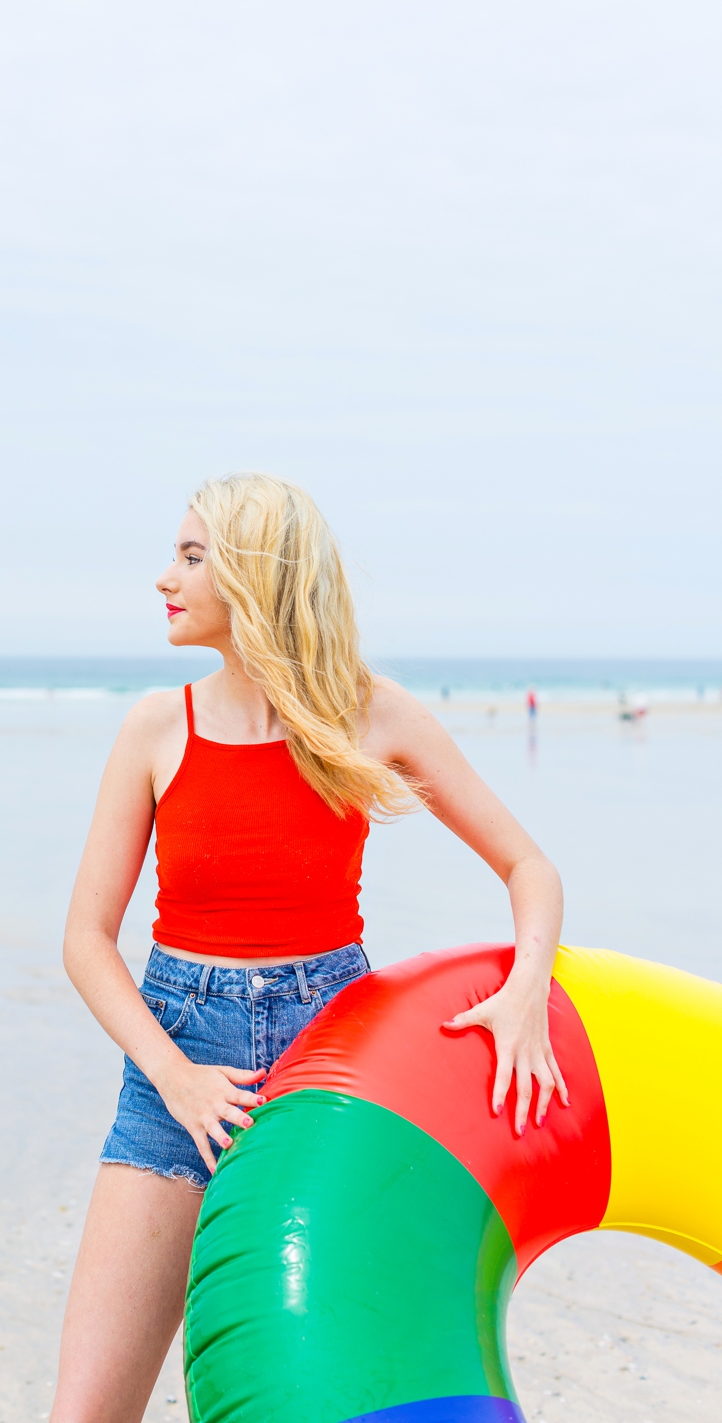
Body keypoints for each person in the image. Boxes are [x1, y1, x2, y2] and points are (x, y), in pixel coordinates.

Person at [53, 473, 567, 1423]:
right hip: (175, 1069)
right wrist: (174, 1076)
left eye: (191, 555)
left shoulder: (369, 713)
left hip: (332, 1072)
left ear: (253, 576)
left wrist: (525, 986)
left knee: (331, 1401)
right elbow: (86, 940)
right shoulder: (156, 728)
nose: (163, 577)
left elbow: (528, 865)